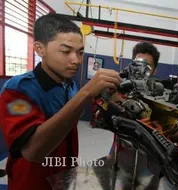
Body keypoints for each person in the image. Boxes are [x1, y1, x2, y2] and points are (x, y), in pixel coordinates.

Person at [0, 14, 121, 190]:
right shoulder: (18, 90)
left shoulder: (69, 86)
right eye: (66, 51)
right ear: (40, 49)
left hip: (64, 177)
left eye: (80, 52)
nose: (77, 60)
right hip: (31, 183)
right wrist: (86, 93)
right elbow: (32, 151)